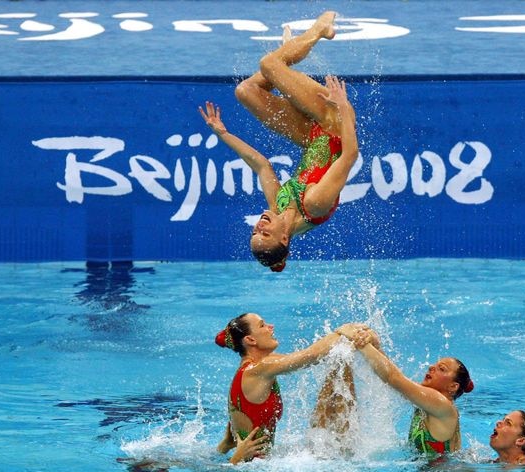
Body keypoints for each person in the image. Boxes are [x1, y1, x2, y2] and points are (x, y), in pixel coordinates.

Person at [199, 11, 359, 272]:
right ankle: (318, 30)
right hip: (335, 122)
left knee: (246, 91)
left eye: (254, 234)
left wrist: (223, 134)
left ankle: (288, 54)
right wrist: (342, 107)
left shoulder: (278, 205)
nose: (258, 227)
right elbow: (350, 154)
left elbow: (261, 165)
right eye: (264, 234)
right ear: (284, 239)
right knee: (270, 65)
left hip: (311, 137)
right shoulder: (314, 205)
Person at [213, 312, 362, 462]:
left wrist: (226, 445)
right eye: (262, 325)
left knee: (337, 368)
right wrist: (343, 332)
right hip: (250, 467)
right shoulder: (257, 369)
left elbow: (309, 358)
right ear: (250, 340)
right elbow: (311, 355)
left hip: (261, 463)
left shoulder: (263, 364)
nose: (271, 327)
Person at [350, 330, 474, 457]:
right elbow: (395, 379)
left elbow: (393, 377)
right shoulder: (428, 402)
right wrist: (376, 347)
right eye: (435, 364)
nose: (431, 367)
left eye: (441, 369)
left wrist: (361, 344)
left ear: (453, 386)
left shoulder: (442, 404)